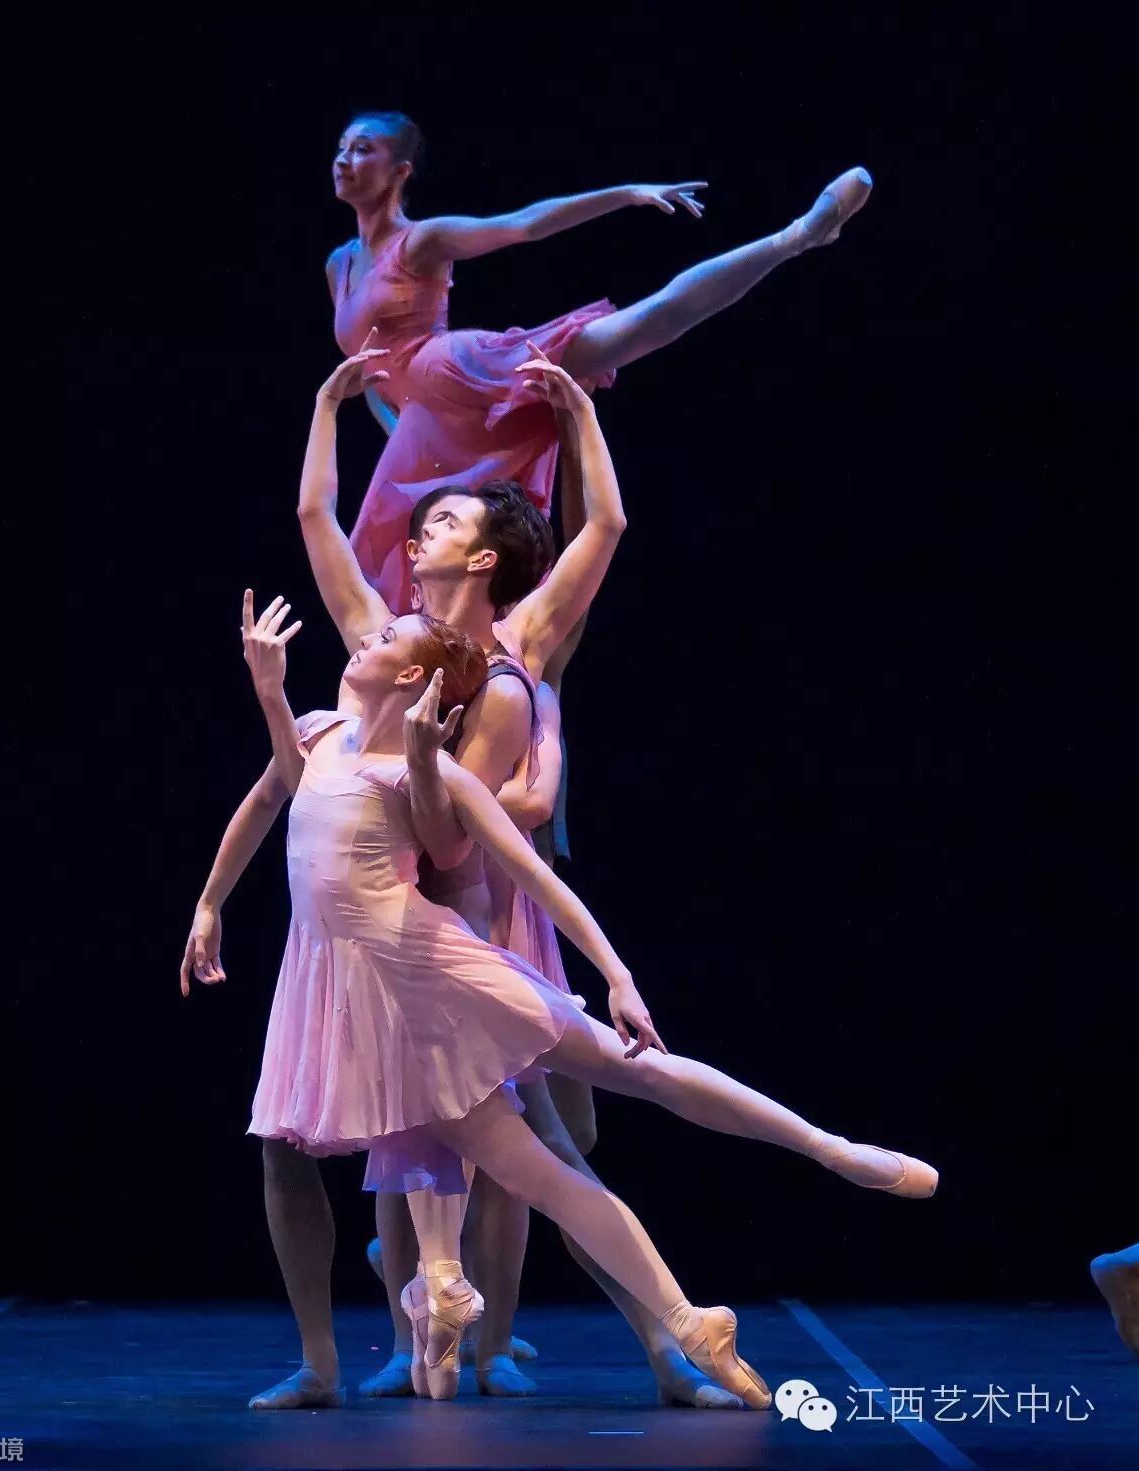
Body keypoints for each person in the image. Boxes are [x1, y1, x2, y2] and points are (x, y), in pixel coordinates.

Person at [206, 588, 936, 1411]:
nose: (364, 638)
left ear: (409, 675)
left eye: (384, 637)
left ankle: (828, 1147)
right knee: (544, 1175)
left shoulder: (425, 769)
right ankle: (678, 1319)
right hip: (375, 1011)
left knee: (631, 1072)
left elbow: (522, 870)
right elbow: (280, 787)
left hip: (440, 983)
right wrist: (210, 898)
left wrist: (617, 972)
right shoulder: (318, 734)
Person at [296, 343, 732, 1405]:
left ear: (486, 556)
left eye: (444, 520)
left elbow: (605, 528)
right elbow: (317, 525)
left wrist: (580, 414)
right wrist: (325, 407)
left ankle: (564, 1345)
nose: (420, 533)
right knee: (416, 1136)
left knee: (549, 1142)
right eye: (425, 522)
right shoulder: (384, 639)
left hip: (502, 916)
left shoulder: (520, 639)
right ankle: (427, 1340)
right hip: (409, 915)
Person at [327, 109, 873, 611]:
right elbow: (371, 372)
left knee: (636, 327)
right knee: (401, 576)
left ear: (399, 171)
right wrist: (403, 434)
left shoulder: (421, 241)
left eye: (363, 148)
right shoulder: (340, 266)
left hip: (457, 371)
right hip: (423, 425)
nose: (345, 158)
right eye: (342, 148)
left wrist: (625, 194)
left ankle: (796, 236)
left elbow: (524, 224)